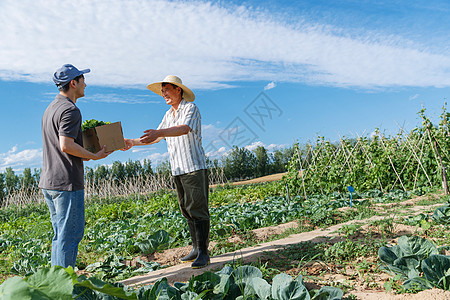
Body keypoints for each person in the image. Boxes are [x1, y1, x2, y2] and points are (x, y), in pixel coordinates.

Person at [124, 75, 210, 269]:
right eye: (162, 92)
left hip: (193, 167)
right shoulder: (168, 115)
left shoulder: (190, 109)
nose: (164, 94)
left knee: (198, 208)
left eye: (167, 90)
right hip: (178, 169)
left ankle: (204, 252)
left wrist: (159, 133)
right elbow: (154, 137)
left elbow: (184, 129)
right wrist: (131, 142)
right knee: (187, 209)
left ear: (178, 90)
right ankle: (196, 248)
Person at [39, 64, 111, 268]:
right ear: (73, 83)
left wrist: (86, 152)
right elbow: (66, 145)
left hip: (50, 181)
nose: (85, 84)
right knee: (69, 236)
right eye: (82, 80)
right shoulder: (70, 110)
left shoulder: (50, 109)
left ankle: (56, 283)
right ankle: (65, 288)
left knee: (59, 235)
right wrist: (94, 156)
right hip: (66, 182)